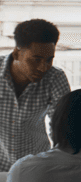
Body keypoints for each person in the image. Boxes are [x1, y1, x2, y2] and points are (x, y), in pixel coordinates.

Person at [1, 19, 71, 172]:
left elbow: (62, 127)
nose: (43, 67)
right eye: (36, 59)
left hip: (36, 167)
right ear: (17, 54)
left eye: (49, 60)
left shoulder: (55, 78)